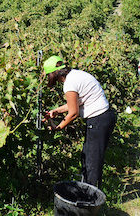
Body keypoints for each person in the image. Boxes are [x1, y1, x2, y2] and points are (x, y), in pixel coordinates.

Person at [42, 56, 116, 188]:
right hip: (104, 117)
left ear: (53, 74)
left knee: (92, 161)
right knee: (88, 157)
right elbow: (76, 103)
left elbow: (74, 113)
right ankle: (89, 191)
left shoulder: (69, 84)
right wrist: (56, 111)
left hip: (98, 119)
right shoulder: (75, 75)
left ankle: (90, 198)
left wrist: (58, 128)